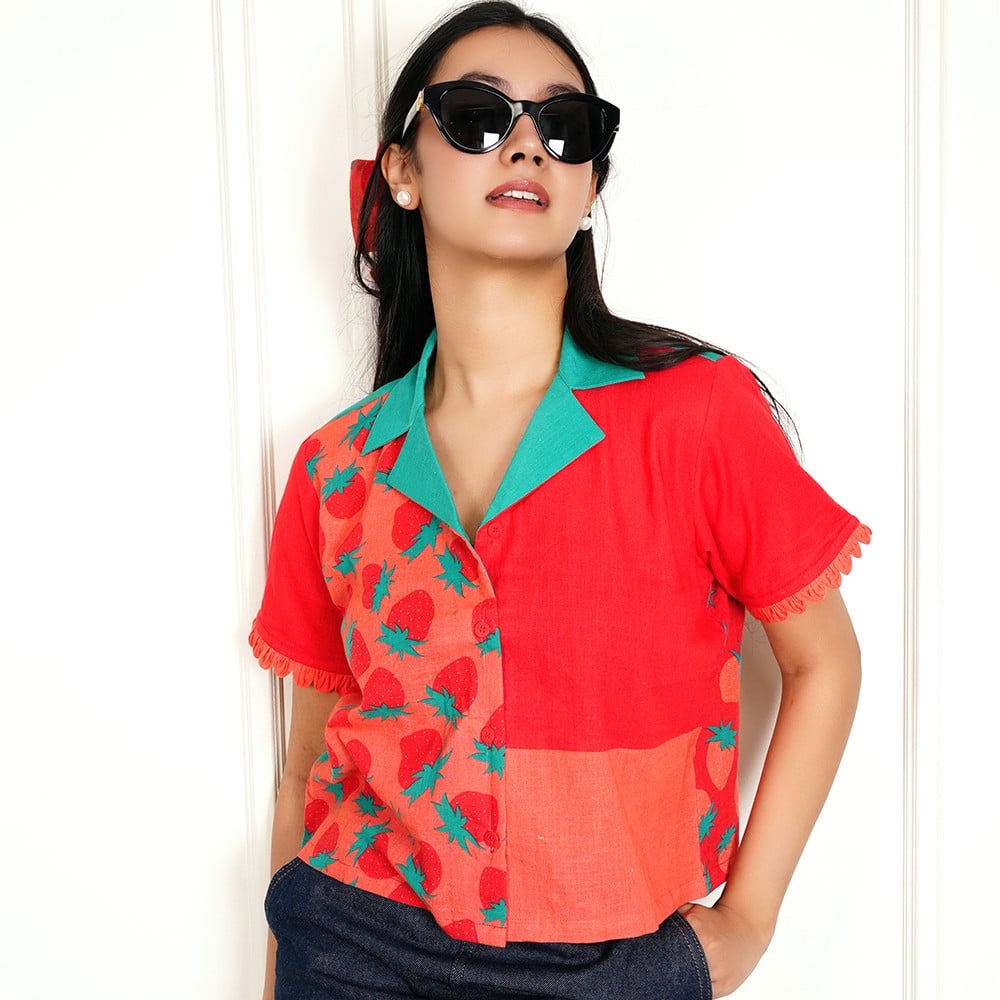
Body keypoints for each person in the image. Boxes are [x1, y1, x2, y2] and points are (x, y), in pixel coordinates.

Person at [250, 2, 869, 997]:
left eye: (565, 126)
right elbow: (305, 765)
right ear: (400, 171)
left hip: (610, 963)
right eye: (476, 115)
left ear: (589, 189)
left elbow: (823, 661)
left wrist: (747, 922)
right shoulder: (336, 468)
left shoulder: (696, 412)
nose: (528, 144)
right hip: (351, 941)